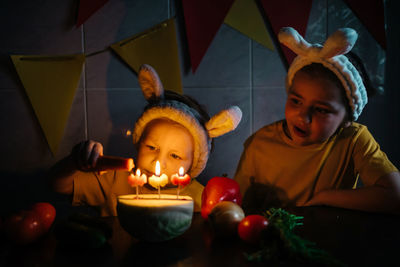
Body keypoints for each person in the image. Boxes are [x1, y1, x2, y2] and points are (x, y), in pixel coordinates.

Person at [234, 27, 400, 215]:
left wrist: (326, 197)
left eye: (321, 110)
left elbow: (395, 196)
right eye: (296, 101)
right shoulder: (259, 145)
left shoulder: (353, 139)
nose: (302, 116)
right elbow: (236, 210)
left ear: (347, 119)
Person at [48, 64, 242, 216]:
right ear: (139, 142)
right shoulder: (114, 180)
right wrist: (77, 161)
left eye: (175, 155)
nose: (159, 162)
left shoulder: (201, 199)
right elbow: (57, 185)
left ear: (194, 164)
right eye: (151, 146)